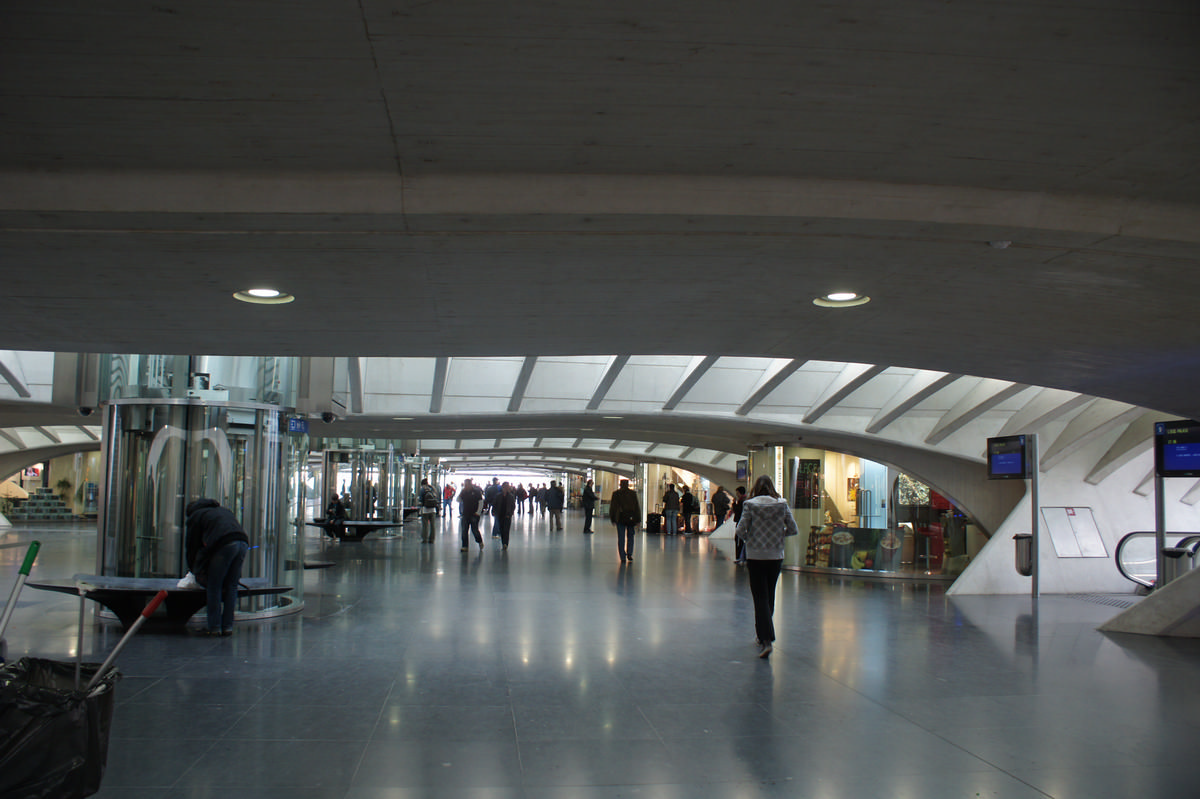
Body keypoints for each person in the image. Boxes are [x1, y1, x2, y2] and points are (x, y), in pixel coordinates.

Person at [735, 475, 800, 658]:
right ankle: (763, 635)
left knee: (759, 597)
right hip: (775, 556)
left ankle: (766, 639)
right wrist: (778, 537)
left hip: (756, 556)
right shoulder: (782, 504)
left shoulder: (750, 504)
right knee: (769, 594)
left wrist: (752, 541)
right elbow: (793, 529)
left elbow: (740, 530)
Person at [185, 498, 250, 637]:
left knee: (214, 586)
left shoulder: (196, 516)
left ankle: (214, 627)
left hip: (225, 545)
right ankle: (227, 627)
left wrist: (193, 568)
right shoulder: (222, 511)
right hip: (242, 542)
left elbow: (192, 545)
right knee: (232, 586)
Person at [608, 478, 641, 563]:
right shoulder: (633, 494)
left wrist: (612, 518)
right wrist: (638, 520)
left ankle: (622, 556)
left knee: (621, 537)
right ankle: (630, 553)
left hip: (620, 518)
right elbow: (637, 507)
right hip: (631, 518)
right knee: (630, 536)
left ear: (620, 485)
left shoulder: (616, 494)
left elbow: (613, 507)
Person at [458, 478, 485, 551]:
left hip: (474, 514)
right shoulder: (463, 492)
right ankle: (465, 546)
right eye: (465, 485)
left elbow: (481, 502)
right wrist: (461, 493)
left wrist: (478, 512)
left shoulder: (476, 491)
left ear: (470, 484)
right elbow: (458, 500)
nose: (465, 486)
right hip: (465, 514)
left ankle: (479, 541)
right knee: (464, 530)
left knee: (475, 530)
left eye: (467, 484)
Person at [495, 481, 518, 549]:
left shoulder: (511, 496)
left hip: (507, 515)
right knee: (502, 529)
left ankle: (505, 543)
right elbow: (495, 504)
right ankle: (503, 542)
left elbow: (513, 506)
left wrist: (510, 513)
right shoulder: (498, 496)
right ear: (503, 487)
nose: (507, 488)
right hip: (500, 515)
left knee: (506, 530)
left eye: (508, 487)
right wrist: (495, 512)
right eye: (505, 487)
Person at [418, 478, 439, 543]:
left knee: (425, 525)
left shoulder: (422, 489)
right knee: (432, 525)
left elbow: (420, 500)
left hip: (425, 510)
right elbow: (436, 497)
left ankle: (425, 539)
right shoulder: (433, 488)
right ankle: (432, 539)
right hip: (433, 510)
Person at [731, 486, 748, 563]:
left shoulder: (741, 502)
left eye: (737, 493)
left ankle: (739, 557)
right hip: (743, 522)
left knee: (738, 539)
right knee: (740, 540)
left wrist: (734, 504)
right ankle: (742, 557)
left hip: (741, 522)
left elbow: (737, 511)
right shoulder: (745, 500)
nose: (737, 494)